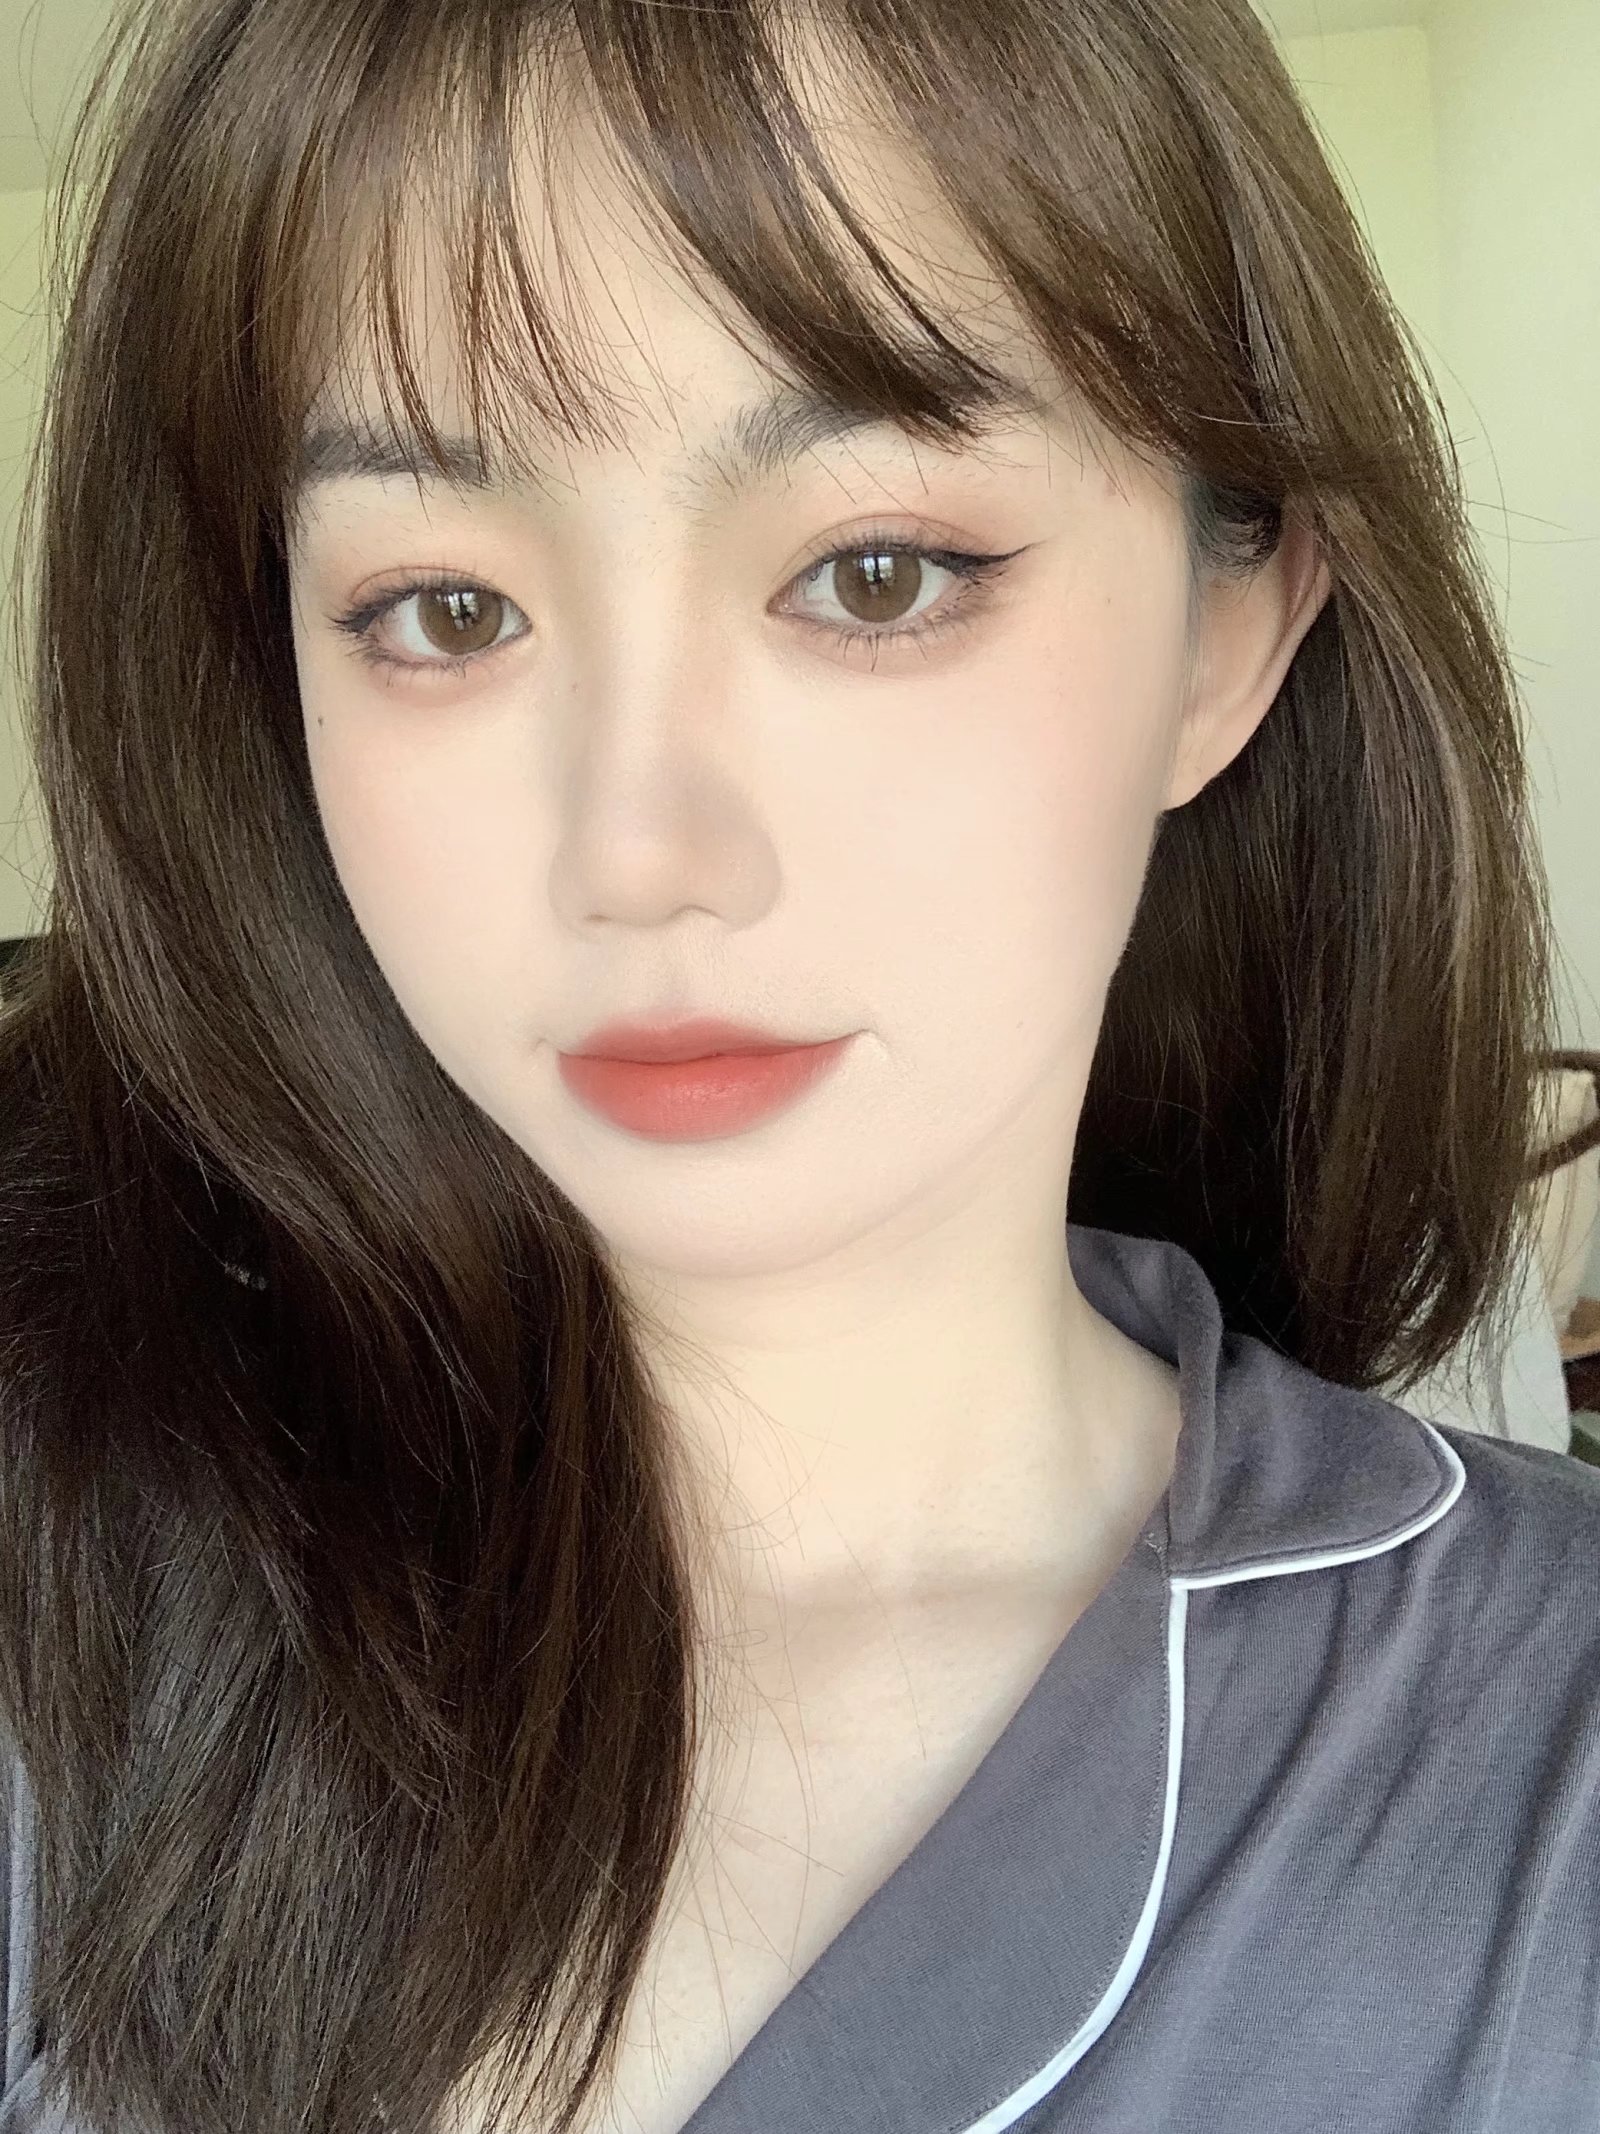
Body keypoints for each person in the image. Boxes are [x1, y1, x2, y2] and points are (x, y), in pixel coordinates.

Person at [0, 0, 1593, 2130]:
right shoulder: (65, 1594)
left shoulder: (1537, 1773)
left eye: (873, 571)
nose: (636, 853)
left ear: (1227, 632)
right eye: (444, 611)